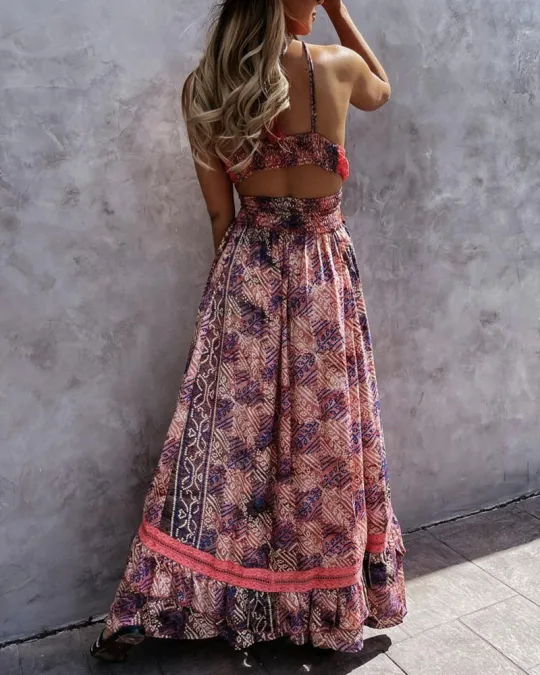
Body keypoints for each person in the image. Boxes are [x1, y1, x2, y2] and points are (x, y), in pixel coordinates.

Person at [90, 0, 407, 663]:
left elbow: (219, 215)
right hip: (322, 271)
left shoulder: (206, 86)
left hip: (248, 273)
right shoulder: (338, 65)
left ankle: (184, 596)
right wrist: (342, 13)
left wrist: (229, 300)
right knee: (326, 439)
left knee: (227, 447)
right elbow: (381, 90)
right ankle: (318, 604)